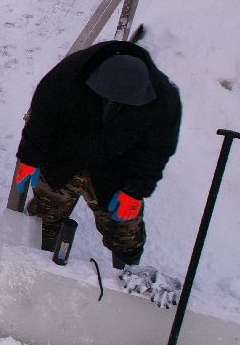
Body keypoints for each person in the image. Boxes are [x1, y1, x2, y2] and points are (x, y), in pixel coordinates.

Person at [12, 41, 182, 269]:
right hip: (65, 157)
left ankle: (125, 273)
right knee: (44, 219)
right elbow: (43, 116)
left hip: (116, 170)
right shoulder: (70, 73)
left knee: (125, 233)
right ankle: (37, 263)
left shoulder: (164, 101)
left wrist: (136, 190)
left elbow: (157, 151)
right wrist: (30, 158)